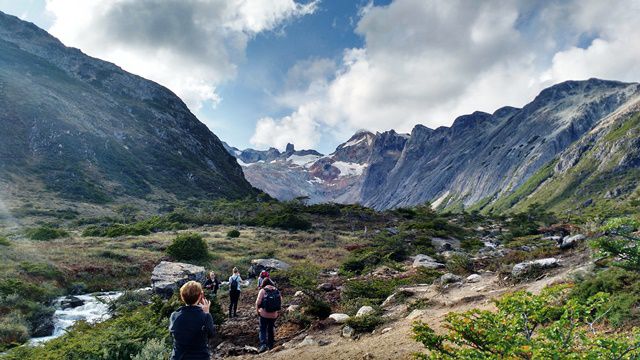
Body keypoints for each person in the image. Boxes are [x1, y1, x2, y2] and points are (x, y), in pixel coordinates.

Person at [169, 281, 215, 360]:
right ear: (199, 296)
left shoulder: (174, 316)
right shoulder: (205, 317)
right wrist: (207, 313)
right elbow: (211, 334)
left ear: (182, 297)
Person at [255, 278, 282, 353]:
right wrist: (277, 312)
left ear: (263, 283)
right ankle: (271, 345)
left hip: (264, 313)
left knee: (262, 329)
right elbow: (280, 301)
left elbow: (258, 302)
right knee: (271, 328)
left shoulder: (263, 290)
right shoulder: (276, 290)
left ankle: (263, 344)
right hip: (274, 314)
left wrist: (257, 311)